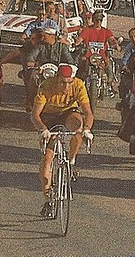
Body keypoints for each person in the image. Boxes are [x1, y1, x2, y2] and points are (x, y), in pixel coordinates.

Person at [31, 63, 94, 216]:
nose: (66, 87)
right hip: (48, 117)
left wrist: (87, 129)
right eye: (63, 83)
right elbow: (35, 115)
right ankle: (47, 199)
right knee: (47, 158)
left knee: (77, 128)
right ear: (57, 78)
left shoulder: (78, 85)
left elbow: (88, 113)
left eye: (69, 83)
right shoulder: (47, 86)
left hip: (68, 113)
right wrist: (43, 130)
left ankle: (71, 162)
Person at [25, 27, 75, 111]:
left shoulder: (62, 47)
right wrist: (31, 61)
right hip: (42, 70)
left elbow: (69, 60)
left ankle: (69, 101)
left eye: (45, 36)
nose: (42, 37)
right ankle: (30, 100)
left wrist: (65, 66)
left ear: (52, 36)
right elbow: (32, 55)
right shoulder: (40, 46)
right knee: (33, 77)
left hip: (57, 71)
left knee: (68, 82)